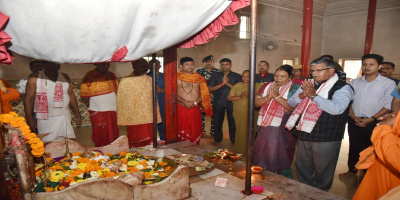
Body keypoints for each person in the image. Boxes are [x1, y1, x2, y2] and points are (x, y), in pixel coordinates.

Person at [286, 57, 354, 191]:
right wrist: (301, 95)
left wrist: (313, 96)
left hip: (326, 137)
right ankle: (306, 192)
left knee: (323, 171)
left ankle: (320, 195)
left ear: (331, 70)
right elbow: (291, 103)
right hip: (304, 133)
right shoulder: (309, 83)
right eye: (312, 71)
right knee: (303, 167)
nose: (314, 73)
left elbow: (337, 109)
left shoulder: (343, 87)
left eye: (319, 70)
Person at [339, 54, 396, 179]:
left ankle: (368, 176)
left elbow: (388, 105)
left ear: (379, 66)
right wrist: (353, 117)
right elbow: (350, 101)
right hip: (355, 120)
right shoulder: (355, 82)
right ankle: (352, 170)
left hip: (375, 121)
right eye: (365, 64)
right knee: (354, 146)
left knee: (372, 149)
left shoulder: (388, 83)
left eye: (371, 64)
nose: (367, 67)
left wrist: (371, 119)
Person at [252, 65, 300, 174]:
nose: (278, 79)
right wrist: (269, 97)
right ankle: (262, 170)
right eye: (276, 76)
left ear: (290, 77)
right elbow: (255, 103)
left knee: (281, 152)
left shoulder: (294, 88)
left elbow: (293, 107)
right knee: (262, 149)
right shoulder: (267, 86)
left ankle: (280, 175)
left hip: (284, 125)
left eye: (282, 76)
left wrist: (277, 97)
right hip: (266, 123)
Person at [24, 61, 81, 142]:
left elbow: (71, 94)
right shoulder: (35, 79)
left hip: (64, 116)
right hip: (46, 119)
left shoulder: (65, 77)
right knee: (47, 143)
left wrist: (77, 112)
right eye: (52, 64)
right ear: (44, 64)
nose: (56, 66)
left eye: (57, 64)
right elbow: (28, 99)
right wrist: (29, 119)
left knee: (66, 143)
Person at [352, 112, 400, 200]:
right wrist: (395, 118)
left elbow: (396, 159)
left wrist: (385, 128)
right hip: (381, 169)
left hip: (392, 179)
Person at [117, 58, 161, 148]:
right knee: (135, 141)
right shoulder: (126, 81)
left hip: (148, 116)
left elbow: (153, 98)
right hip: (133, 117)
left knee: (150, 142)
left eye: (146, 67)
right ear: (134, 66)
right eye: (142, 66)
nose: (146, 69)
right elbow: (122, 100)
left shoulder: (149, 80)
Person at [81, 62, 119, 147]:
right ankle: (101, 152)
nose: (106, 66)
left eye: (108, 64)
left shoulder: (112, 76)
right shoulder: (89, 77)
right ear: (96, 64)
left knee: (113, 132)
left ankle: (113, 151)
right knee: (99, 133)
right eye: (103, 64)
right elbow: (85, 95)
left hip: (112, 109)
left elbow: (116, 92)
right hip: (97, 110)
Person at [177, 57, 213, 145]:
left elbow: (204, 93)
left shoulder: (199, 78)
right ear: (181, 66)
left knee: (194, 130)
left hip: (195, 108)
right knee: (181, 130)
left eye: (192, 64)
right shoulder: (176, 77)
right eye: (187, 64)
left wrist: (195, 103)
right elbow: (172, 93)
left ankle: (193, 151)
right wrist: (184, 102)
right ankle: (181, 152)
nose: (190, 66)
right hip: (181, 107)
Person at [227, 70, 262, 154]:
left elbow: (260, 100)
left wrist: (248, 96)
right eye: (243, 76)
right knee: (240, 131)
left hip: (253, 112)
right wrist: (240, 97)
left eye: (248, 76)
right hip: (239, 112)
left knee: (251, 131)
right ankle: (240, 150)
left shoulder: (258, 86)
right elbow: (229, 98)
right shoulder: (237, 85)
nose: (245, 78)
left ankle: (251, 151)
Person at [207, 58, 242, 143]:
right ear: (220, 66)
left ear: (231, 65)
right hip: (218, 102)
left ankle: (234, 140)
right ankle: (218, 140)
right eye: (223, 64)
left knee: (233, 123)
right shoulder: (215, 76)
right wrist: (221, 84)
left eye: (227, 64)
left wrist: (228, 84)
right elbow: (209, 89)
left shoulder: (237, 76)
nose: (224, 66)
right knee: (217, 122)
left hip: (233, 102)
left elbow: (241, 90)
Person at [196, 55, 221, 136]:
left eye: (210, 61)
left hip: (214, 96)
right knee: (201, 115)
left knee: (215, 115)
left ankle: (213, 132)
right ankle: (201, 131)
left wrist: (212, 92)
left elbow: (220, 85)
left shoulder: (218, 72)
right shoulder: (199, 72)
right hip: (202, 97)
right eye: (206, 62)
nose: (208, 63)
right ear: (204, 63)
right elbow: (196, 85)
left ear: (213, 62)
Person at [147, 59, 166, 141]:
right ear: (149, 66)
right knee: (151, 124)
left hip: (162, 103)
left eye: (156, 64)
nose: (154, 66)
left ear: (160, 66)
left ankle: (164, 141)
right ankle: (151, 142)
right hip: (149, 104)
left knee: (162, 123)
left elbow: (172, 89)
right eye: (151, 64)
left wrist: (162, 90)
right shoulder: (146, 77)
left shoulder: (165, 76)